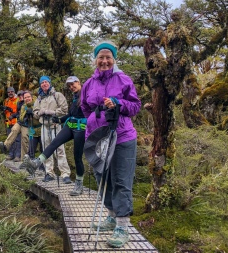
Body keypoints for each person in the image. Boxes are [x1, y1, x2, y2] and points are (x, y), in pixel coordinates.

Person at [81, 41, 141, 248]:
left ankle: (122, 226)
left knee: (121, 179)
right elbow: (84, 106)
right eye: (101, 57)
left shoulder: (123, 79)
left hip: (122, 135)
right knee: (101, 175)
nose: (104, 61)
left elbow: (135, 107)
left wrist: (118, 103)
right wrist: (94, 122)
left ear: (114, 59)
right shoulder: (89, 83)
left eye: (108, 57)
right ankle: (111, 215)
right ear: (95, 60)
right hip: (97, 137)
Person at [20, 76, 86, 195]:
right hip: (62, 125)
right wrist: (57, 119)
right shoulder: (41, 98)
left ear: (79, 82)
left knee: (74, 156)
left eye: (73, 84)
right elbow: (70, 113)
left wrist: (54, 114)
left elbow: (65, 110)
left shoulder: (83, 94)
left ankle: (73, 180)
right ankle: (38, 164)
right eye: (69, 85)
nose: (71, 87)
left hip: (80, 128)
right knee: (52, 144)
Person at [32, 76, 70, 183]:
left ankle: (65, 174)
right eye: (42, 82)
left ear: (49, 83)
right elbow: (35, 112)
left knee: (60, 149)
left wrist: (52, 112)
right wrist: (39, 113)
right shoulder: (39, 98)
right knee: (46, 149)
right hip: (44, 126)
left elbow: (64, 109)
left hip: (55, 125)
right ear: (40, 85)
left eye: (46, 82)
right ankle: (49, 172)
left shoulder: (57, 95)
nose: (44, 84)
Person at [0, 87, 21, 162]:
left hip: (16, 123)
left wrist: (10, 109)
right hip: (8, 123)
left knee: (18, 139)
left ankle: (17, 155)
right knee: (10, 139)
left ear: (14, 92)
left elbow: (19, 111)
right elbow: (6, 113)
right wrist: (4, 109)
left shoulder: (18, 99)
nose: (10, 93)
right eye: (9, 92)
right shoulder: (6, 100)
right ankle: (11, 154)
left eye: (12, 91)